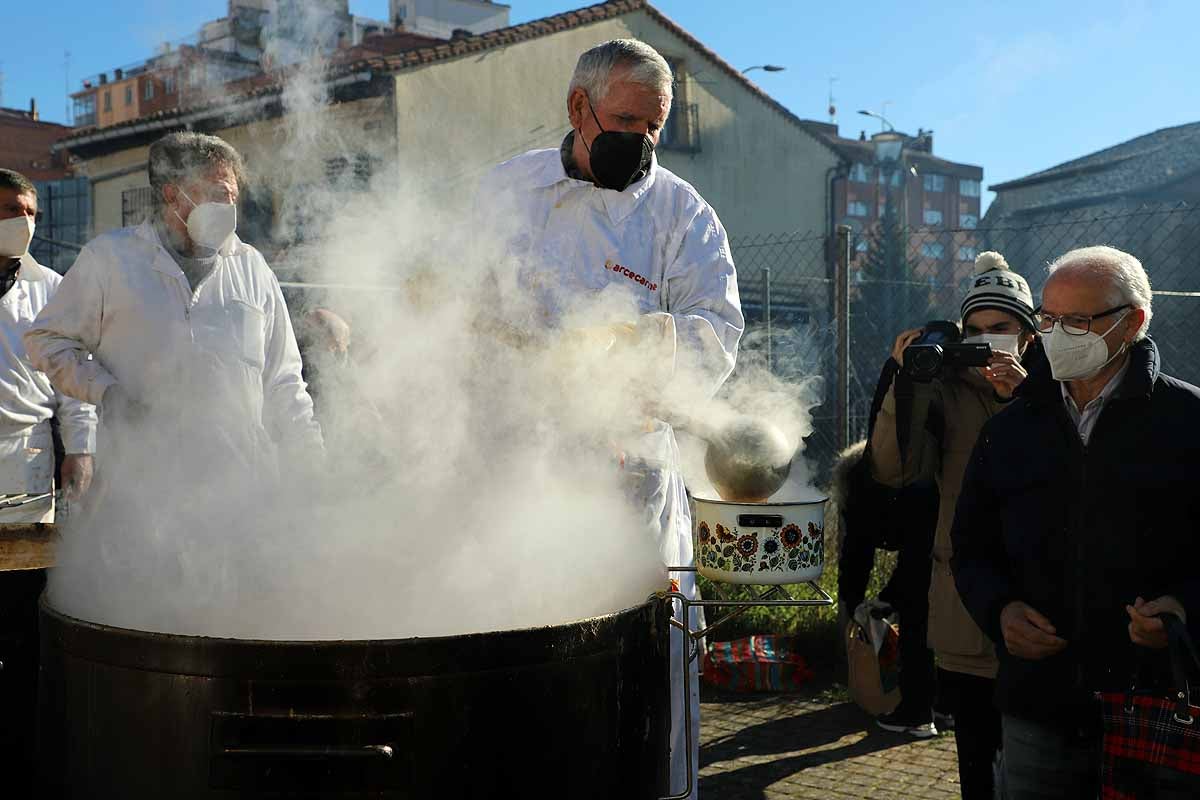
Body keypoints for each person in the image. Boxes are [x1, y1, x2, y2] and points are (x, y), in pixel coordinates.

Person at [475, 39, 743, 799]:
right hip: (516, 472)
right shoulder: (504, 192)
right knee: (526, 668)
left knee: (644, 684)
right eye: (627, 120)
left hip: (633, 485)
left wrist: (639, 342)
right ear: (577, 109)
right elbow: (453, 311)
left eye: (655, 126)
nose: (644, 142)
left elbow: (717, 335)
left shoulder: (681, 213)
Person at [953, 245, 1200, 799]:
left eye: (1078, 321)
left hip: (1158, 705)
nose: (1056, 333)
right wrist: (1000, 609)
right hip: (1040, 707)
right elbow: (970, 545)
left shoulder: (1188, 422)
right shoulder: (1011, 429)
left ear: (1132, 321)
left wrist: (1184, 610)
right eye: (1048, 318)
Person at [24, 132, 322, 496]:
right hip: (142, 488)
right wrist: (107, 392)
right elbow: (46, 341)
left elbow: (284, 380)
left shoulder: (252, 267)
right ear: (171, 193)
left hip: (242, 490)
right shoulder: (110, 259)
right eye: (215, 194)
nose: (227, 207)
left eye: (232, 197)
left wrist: (310, 461)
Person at [871, 252, 1039, 798]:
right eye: (975, 330)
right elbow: (895, 468)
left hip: (1042, 611)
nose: (986, 340)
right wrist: (905, 384)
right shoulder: (946, 389)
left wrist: (1025, 398)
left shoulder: (1061, 390)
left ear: (1030, 337)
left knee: (1038, 768)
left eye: (1001, 329)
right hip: (964, 608)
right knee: (976, 769)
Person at [0, 168, 98, 789]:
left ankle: (21, 759)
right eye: (11, 207)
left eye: (32, 210)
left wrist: (81, 450)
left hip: (27, 485)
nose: (25, 220)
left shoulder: (54, 289)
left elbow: (77, 382)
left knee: (20, 633)